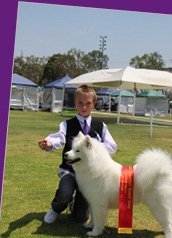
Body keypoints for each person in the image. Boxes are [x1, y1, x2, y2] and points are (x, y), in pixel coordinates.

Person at [38, 85, 117, 224]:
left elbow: (112, 147)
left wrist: (94, 148)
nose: (84, 107)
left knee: (80, 219)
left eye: (88, 103)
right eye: (80, 103)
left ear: (93, 104)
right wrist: (49, 143)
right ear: (75, 103)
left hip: (90, 176)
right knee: (64, 194)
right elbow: (59, 137)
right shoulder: (67, 124)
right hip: (70, 171)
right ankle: (55, 209)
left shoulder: (101, 126)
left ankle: (75, 205)